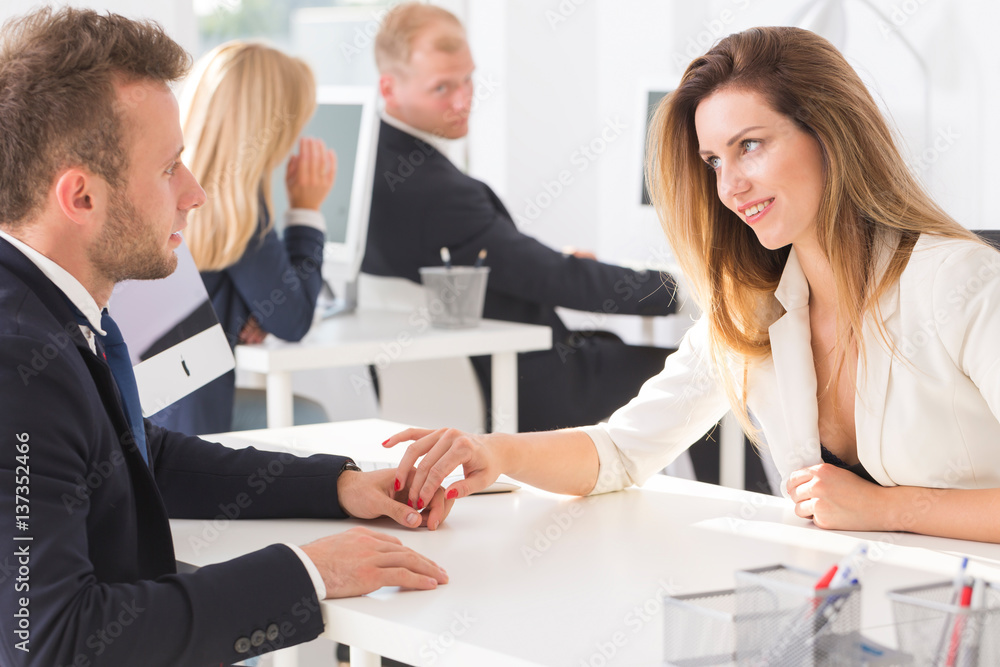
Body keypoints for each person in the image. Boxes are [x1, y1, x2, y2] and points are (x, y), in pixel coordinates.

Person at [384, 25, 1000, 545]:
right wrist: (495, 452)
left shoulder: (960, 283)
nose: (729, 188)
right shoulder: (753, 310)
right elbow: (623, 452)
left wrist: (887, 509)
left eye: (750, 146)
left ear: (831, 136)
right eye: (713, 162)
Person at [0, 9, 451, 666]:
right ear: (81, 196)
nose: (195, 192)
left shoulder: (51, 306)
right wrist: (305, 573)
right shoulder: (19, 362)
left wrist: (337, 485)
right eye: (168, 169)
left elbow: (138, 454)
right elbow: (54, 642)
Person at [364, 4, 688, 438]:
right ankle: (766, 503)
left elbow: (500, 259)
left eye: (468, 79)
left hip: (476, 368)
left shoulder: (370, 164)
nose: (463, 101)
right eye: (442, 88)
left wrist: (545, 263)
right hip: (531, 382)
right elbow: (551, 278)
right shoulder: (437, 191)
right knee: (706, 376)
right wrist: (682, 292)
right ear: (389, 88)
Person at [152, 41, 335, 435]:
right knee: (312, 420)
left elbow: (271, 307)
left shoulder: (164, 190)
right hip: (190, 433)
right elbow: (294, 320)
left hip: (156, 416)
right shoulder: (239, 213)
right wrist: (305, 211)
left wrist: (251, 304)